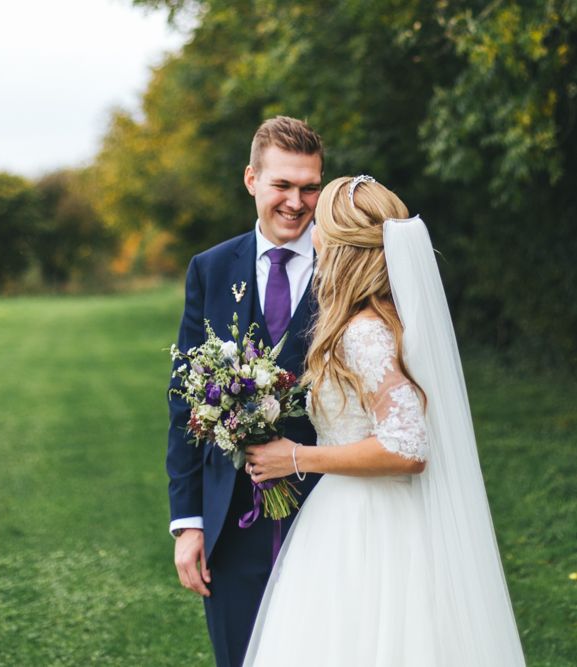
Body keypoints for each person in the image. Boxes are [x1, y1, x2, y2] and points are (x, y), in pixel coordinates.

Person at [241, 175, 526, 665]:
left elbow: (406, 449)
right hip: (350, 513)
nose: (312, 235)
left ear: (340, 246)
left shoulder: (364, 333)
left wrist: (295, 457)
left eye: (320, 226)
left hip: (370, 528)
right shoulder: (380, 319)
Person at [166, 116, 325, 667]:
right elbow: (184, 399)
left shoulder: (349, 268)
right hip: (230, 520)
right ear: (252, 179)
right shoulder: (210, 269)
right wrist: (188, 523)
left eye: (310, 187)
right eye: (283, 185)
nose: (297, 202)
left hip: (328, 509)